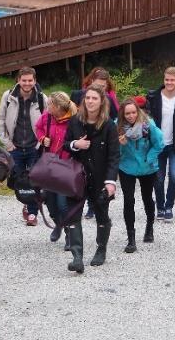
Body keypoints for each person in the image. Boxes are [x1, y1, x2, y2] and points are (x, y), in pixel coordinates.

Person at [62, 85, 120, 273]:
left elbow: (114, 156)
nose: (90, 101)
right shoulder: (74, 122)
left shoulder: (109, 125)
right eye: (88, 98)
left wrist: (110, 182)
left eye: (94, 98)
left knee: (101, 214)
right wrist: (75, 144)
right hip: (78, 176)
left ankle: (101, 249)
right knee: (73, 214)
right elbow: (65, 144)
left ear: (102, 101)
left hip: (100, 177)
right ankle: (77, 256)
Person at [0, 67, 48, 226]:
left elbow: (47, 122)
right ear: (18, 80)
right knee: (17, 180)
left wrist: (41, 142)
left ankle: (32, 213)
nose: (27, 83)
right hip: (15, 147)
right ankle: (26, 201)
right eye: (24, 80)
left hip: (34, 147)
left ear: (35, 81)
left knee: (33, 180)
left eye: (30, 80)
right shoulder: (8, 96)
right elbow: (0, 120)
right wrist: (7, 143)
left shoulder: (41, 98)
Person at [145, 67, 175, 222]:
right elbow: (146, 120)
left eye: (172, 80)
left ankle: (169, 207)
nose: (169, 82)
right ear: (163, 79)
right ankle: (160, 206)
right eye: (167, 79)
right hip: (157, 145)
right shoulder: (153, 97)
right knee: (158, 178)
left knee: (173, 176)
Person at [117, 98, 164, 253]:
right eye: (127, 114)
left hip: (146, 167)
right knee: (128, 200)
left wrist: (149, 159)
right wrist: (120, 145)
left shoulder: (148, 124)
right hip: (126, 167)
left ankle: (149, 226)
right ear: (122, 115)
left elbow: (159, 143)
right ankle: (131, 239)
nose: (131, 116)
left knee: (147, 197)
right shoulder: (117, 126)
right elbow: (112, 150)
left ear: (138, 111)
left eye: (133, 112)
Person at [36, 91, 79, 247]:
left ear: (58, 106)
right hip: (49, 165)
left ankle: (68, 232)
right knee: (50, 201)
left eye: (49, 105)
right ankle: (58, 224)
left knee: (62, 203)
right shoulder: (47, 118)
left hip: (66, 166)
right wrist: (42, 139)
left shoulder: (74, 121)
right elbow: (38, 127)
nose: (47, 107)